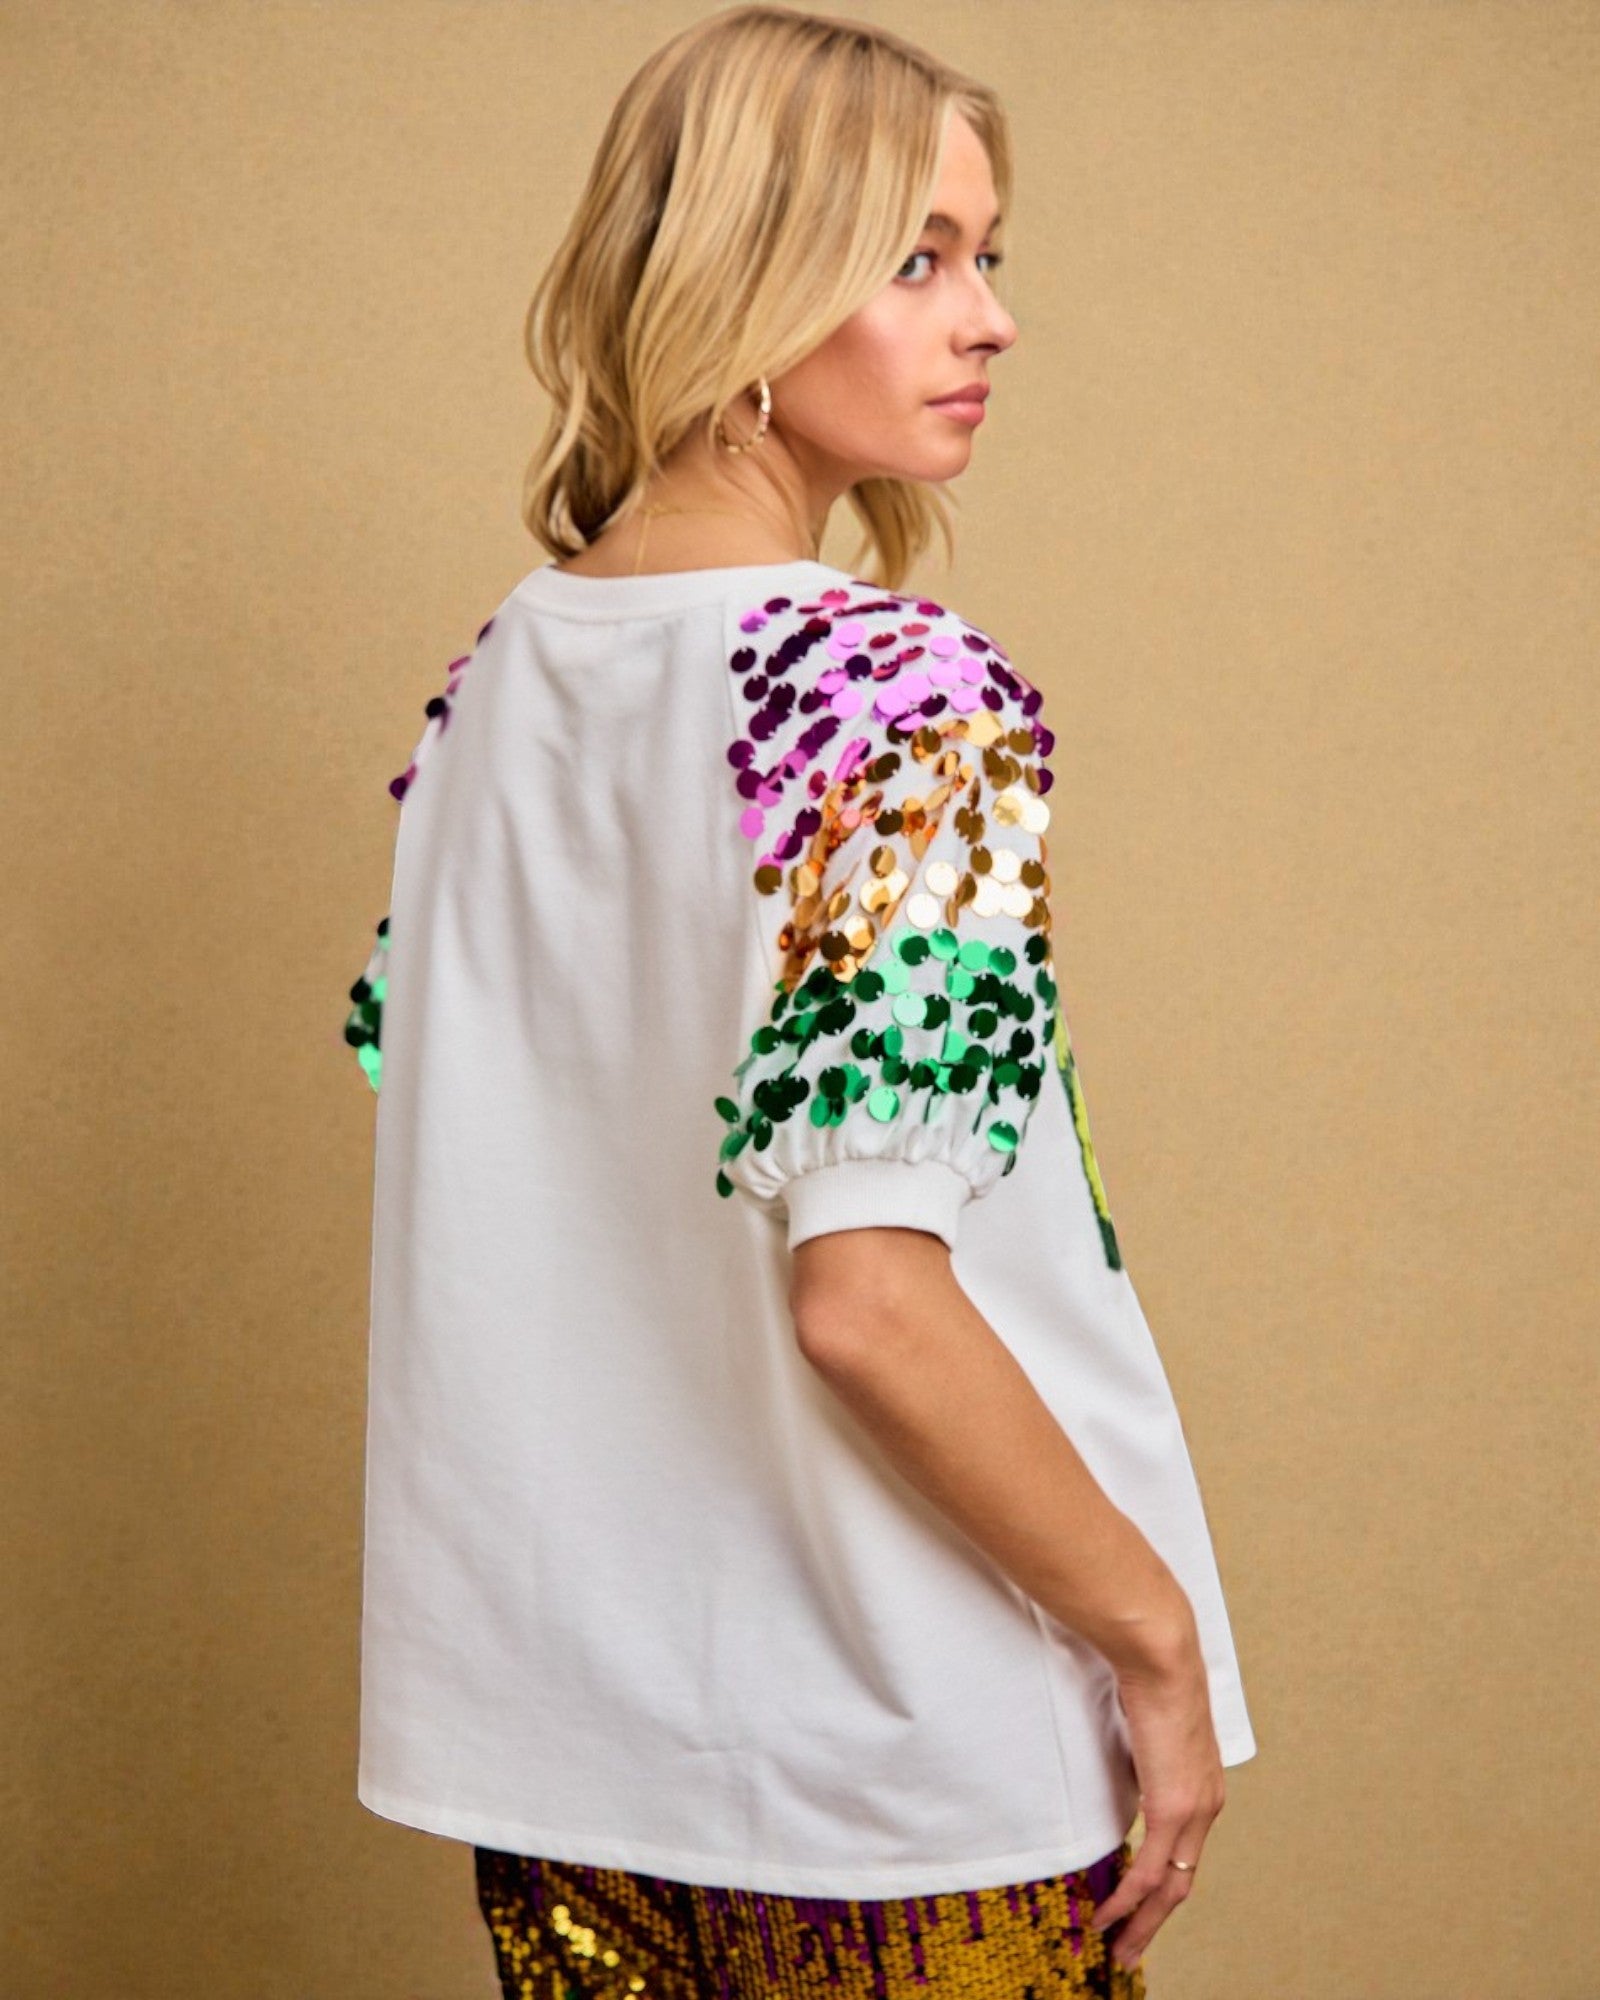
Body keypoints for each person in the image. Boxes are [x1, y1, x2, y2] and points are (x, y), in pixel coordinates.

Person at [342, 7, 1257, 1995]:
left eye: (987, 252)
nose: (988, 317)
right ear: (738, 279)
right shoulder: (894, 694)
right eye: (914, 255)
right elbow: (864, 1295)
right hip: (897, 1762)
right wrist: (1155, 1635)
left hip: (567, 1762)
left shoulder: (498, 678)